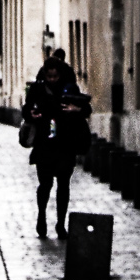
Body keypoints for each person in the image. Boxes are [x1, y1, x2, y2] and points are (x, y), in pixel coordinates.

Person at [22, 56, 91, 239]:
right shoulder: (37, 88)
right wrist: (31, 113)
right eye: (49, 76)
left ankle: (61, 224)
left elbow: (86, 109)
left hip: (65, 144)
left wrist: (76, 110)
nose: (52, 80)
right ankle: (41, 216)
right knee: (45, 185)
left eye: (55, 76)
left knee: (63, 186)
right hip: (44, 144)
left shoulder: (69, 89)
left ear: (60, 75)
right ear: (45, 74)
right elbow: (26, 110)